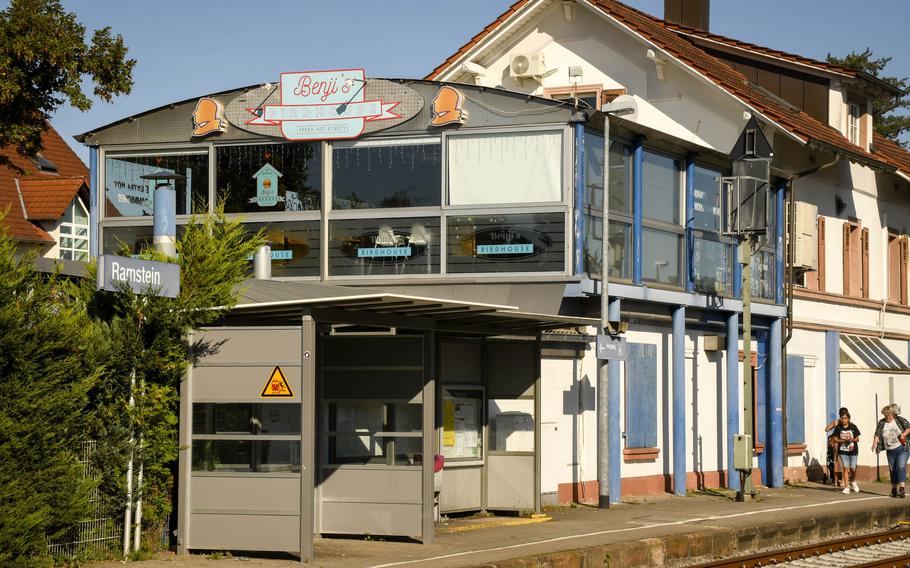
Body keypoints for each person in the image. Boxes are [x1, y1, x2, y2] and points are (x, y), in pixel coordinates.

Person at [871, 404, 910, 498]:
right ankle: (893, 490)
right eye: (886, 415)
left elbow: (908, 428)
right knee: (893, 469)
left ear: (893, 414)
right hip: (890, 450)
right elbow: (877, 434)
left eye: (889, 415)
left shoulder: (899, 420)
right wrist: (874, 444)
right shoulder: (882, 422)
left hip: (902, 448)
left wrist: (904, 434)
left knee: (900, 467)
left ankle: (902, 489)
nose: (888, 417)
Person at [831, 410, 861, 494]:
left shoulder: (853, 427)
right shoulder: (838, 428)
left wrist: (851, 439)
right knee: (845, 468)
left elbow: (858, 438)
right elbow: (834, 438)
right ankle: (847, 487)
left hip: (853, 450)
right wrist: (842, 440)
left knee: (853, 468)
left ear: (848, 419)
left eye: (845, 418)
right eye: (842, 418)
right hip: (843, 451)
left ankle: (853, 481)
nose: (843, 420)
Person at [824, 407, 849, 487]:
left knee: (835, 461)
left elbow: (826, 429)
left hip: (836, 443)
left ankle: (835, 481)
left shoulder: (836, 422)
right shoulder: (847, 421)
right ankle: (843, 481)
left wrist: (834, 428)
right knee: (844, 462)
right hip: (844, 444)